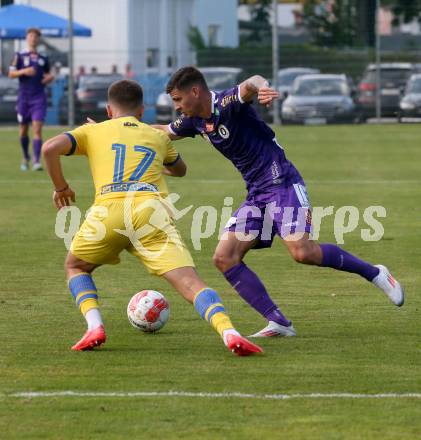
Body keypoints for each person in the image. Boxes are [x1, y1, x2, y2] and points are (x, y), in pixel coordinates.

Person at [154, 66, 405, 338]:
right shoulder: (193, 121)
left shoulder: (226, 102)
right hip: (257, 193)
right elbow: (159, 132)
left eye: (178, 100)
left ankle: (376, 274)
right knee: (224, 258)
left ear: (195, 91)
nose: (177, 107)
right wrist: (115, 128)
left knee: (303, 252)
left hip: (282, 181)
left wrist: (263, 87)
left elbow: (250, 83)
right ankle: (279, 322)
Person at [42, 79, 262, 356]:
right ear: (142, 111)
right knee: (191, 284)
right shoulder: (156, 136)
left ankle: (94, 326)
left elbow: (49, 148)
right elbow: (180, 170)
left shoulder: (93, 131)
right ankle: (229, 332)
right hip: (151, 213)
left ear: (109, 110)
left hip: (108, 212)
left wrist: (61, 188)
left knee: (76, 267)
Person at [8, 28, 54, 171]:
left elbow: (48, 74)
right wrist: (24, 71)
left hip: (39, 97)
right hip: (23, 98)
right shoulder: (19, 56)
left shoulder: (43, 58)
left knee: (37, 128)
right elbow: (10, 73)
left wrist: (49, 78)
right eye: (31, 36)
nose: (33, 38)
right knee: (23, 130)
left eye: (35, 36)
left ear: (38, 39)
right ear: (27, 38)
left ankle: (36, 161)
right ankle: (25, 157)